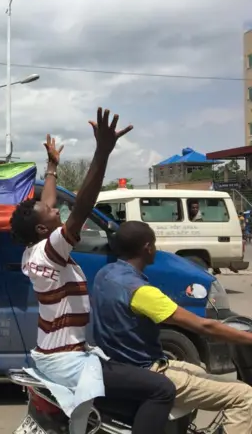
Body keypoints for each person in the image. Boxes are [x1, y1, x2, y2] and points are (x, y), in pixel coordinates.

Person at [10, 108, 175, 434]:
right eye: (52, 212)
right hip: (69, 363)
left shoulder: (33, 250)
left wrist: (53, 167)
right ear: (45, 229)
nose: (57, 208)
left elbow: (46, 202)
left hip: (52, 356)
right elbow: (83, 205)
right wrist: (102, 152)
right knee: (162, 389)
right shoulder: (53, 249)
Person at [90, 220, 252, 434]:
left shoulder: (105, 274)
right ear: (148, 248)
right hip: (148, 369)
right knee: (245, 396)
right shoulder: (140, 291)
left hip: (121, 364)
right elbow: (204, 326)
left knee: (199, 370)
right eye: (154, 244)